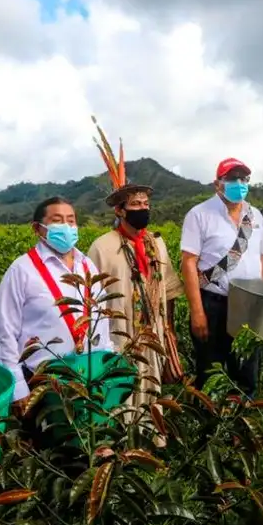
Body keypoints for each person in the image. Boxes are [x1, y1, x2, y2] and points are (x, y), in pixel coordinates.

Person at [85, 123, 184, 427]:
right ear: (120, 211)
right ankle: (120, 441)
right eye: (136, 204)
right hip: (118, 331)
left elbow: (167, 291)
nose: (143, 208)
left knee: (152, 383)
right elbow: (91, 298)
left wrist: (168, 329)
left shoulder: (156, 244)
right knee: (122, 388)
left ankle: (151, 437)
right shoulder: (103, 247)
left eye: (146, 203)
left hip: (151, 330)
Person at [0, 197, 114, 414]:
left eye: (71, 220)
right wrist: (18, 387)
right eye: (58, 221)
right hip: (43, 382)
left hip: (90, 375)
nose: (67, 227)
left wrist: (107, 362)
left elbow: (101, 320)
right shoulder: (22, 270)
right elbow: (5, 332)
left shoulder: (87, 265)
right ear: (37, 228)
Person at [181, 158, 263, 397]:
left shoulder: (255, 216)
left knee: (247, 371)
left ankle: (241, 428)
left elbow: (261, 259)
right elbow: (189, 263)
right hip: (214, 303)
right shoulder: (199, 214)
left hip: (249, 304)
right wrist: (197, 312)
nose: (239, 183)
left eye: (243, 179)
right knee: (212, 373)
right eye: (232, 179)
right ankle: (210, 428)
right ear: (217, 184)